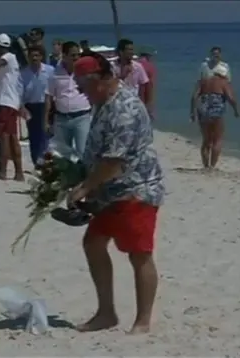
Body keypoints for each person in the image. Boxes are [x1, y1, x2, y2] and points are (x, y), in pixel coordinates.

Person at [69, 52, 164, 334]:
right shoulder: (103, 101)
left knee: (139, 253)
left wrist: (84, 187)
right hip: (108, 192)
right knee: (93, 243)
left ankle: (143, 320)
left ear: (99, 80)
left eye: (83, 87)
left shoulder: (124, 109)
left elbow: (114, 161)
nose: (81, 93)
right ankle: (106, 313)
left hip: (135, 190)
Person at [45, 41, 92, 157]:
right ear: (64, 56)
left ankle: (84, 175)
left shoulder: (85, 72)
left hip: (82, 117)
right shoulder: (54, 74)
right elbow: (48, 97)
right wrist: (45, 121)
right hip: (62, 119)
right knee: (63, 153)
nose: (76, 58)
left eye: (78, 55)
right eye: (73, 55)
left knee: (83, 151)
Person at [191, 63, 239, 170]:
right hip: (216, 110)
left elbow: (194, 97)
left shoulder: (203, 82)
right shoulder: (223, 82)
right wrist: (236, 110)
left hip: (203, 109)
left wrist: (192, 112)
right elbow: (231, 99)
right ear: (224, 74)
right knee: (217, 139)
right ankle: (212, 166)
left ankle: (205, 166)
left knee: (206, 139)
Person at [0, 34, 24, 181]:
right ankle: (18, 173)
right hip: (12, 102)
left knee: (5, 138)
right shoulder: (13, 60)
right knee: (12, 137)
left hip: (5, 103)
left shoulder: (8, 57)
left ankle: (3, 172)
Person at [19, 46, 54, 167]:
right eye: (32, 56)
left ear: (41, 57)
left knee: (46, 134)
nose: (34, 58)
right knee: (34, 136)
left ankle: (47, 160)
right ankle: (36, 162)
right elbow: (19, 93)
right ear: (28, 57)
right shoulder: (23, 73)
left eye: (37, 55)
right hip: (31, 107)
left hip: (47, 105)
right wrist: (22, 108)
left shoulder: (50, 71)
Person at [112, 39, 151, 113]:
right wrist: (122, 76)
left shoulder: (137, 66)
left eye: (132, 49)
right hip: (117, 105)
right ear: (121, 52)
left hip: (134, 105)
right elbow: (109, 86)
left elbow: (144, 86)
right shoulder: (112, 66)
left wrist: (145, 105)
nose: (132, 52)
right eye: (129, 50)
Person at [137, 46, 156, 119]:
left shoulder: (134, 64)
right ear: (148, 56)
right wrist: (151, 108)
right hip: (145, 99)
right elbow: (151, 85)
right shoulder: (150, 66)